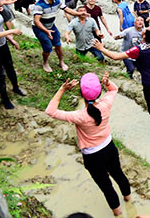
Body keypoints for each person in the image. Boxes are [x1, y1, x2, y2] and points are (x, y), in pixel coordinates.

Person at [45, 72, 131, 217]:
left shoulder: (79, 116)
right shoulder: (105, 105)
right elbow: (114, 89)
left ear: (81, 94)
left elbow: (50, 111)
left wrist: (62, 89)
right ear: (98, 93)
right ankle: (128, 200)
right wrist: (107, 83)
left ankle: (119, 214)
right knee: (118, 174)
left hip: (93, 156)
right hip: (109, 147)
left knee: (106, 186)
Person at [93, 0, 150, 134]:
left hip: (149, 80)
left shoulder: (138, 50)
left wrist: (101, 48)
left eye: (146, 29)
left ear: (143, 36)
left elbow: (115, 56)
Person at [33, 0, 83, 73]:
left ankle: (61, 62)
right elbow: (37, 21)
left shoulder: (57, 1)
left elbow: (68, 10)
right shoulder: (39, 5)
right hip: (40, 28)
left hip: (51, 25)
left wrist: (79, 14)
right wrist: (46, 31)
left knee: (58, 45)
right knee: (48, 47)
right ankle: (45, 62)